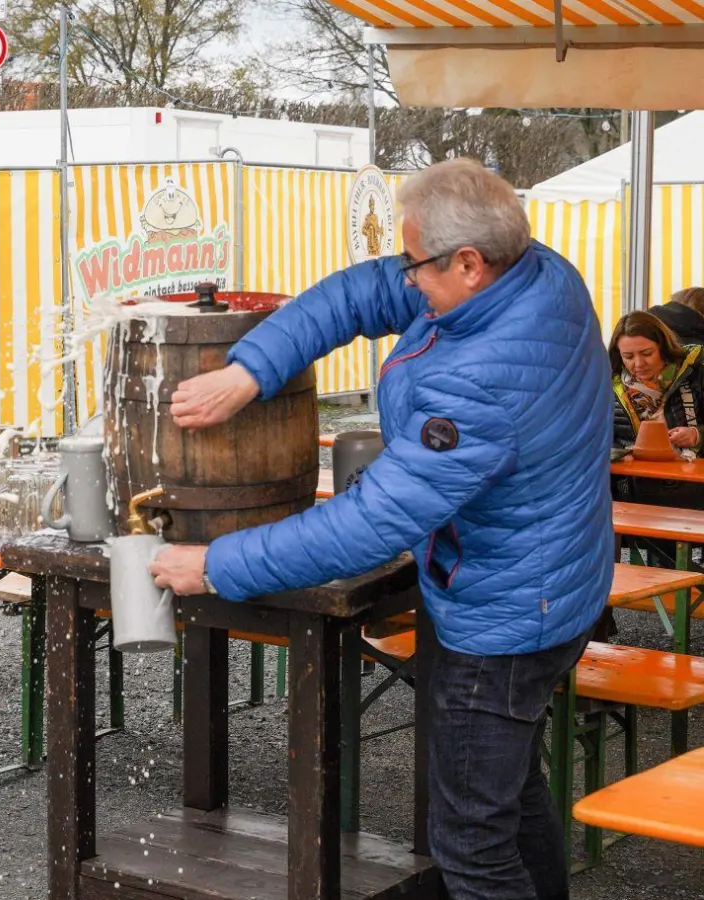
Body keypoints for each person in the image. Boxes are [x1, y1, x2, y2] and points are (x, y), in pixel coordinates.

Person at [150, 158, 611, 900]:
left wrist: (215, 564)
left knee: (469, 837)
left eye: (417, 264)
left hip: (506, 618)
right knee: (512, 795)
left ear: (468, 263)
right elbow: (363, 290)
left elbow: (369, 526)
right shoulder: (536, 272)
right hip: (559, 579)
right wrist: (253, 368)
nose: (406, 277)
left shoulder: (479, 381)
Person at [609, 309, 704, 567]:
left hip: (691, 486)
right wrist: (618, 451)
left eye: (646, 353)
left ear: (664, 346)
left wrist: (696, 434)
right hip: (636, 485)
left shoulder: (696, 372)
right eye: (628, 356)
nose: (638, 364)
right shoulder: (610, 385)